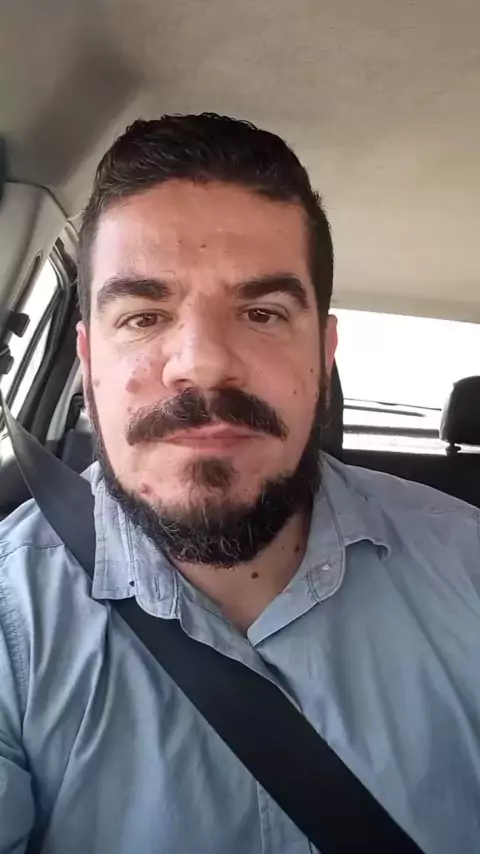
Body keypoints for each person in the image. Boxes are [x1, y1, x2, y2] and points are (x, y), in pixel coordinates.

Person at [0, 113, 479, 854]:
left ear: (323, 352)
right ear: (88, 362)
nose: (203, 363)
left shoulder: (470, 568)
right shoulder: (10, 617)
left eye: (261, 313)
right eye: (144, 316)